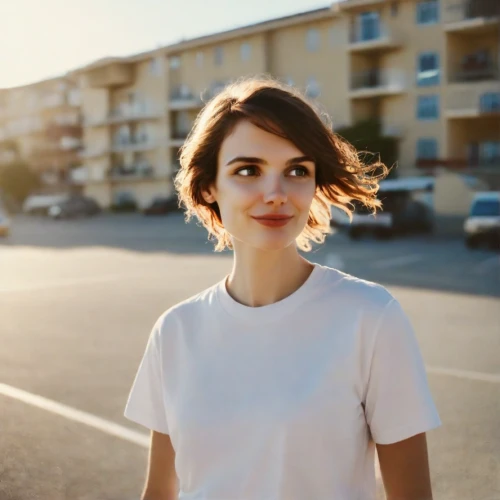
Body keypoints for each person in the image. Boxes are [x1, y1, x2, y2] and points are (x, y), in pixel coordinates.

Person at [124, 77, 442, 500]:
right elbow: (160, 492)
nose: (276, 194)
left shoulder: (370, 316)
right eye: (248, 170)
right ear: (208, 186)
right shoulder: (175, 331)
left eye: (297, 170)